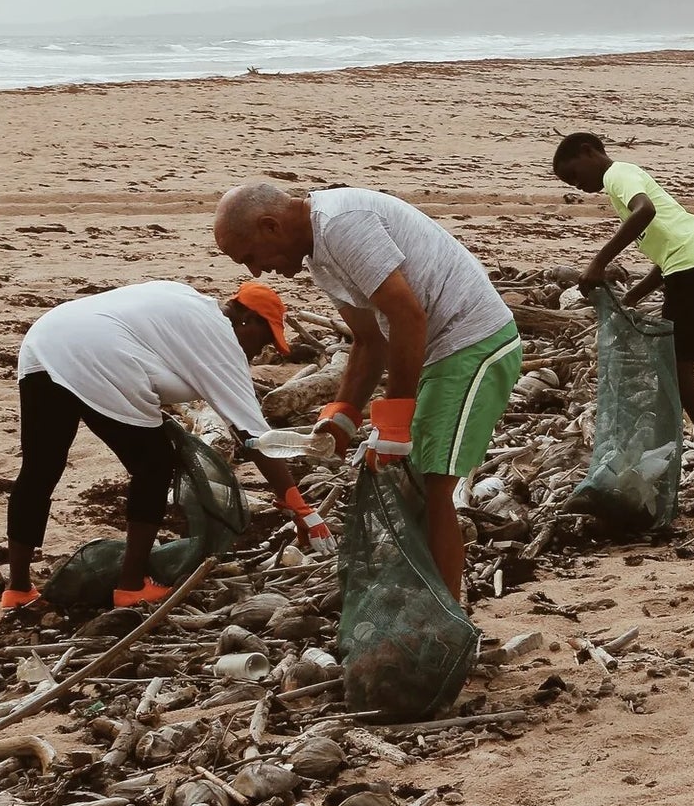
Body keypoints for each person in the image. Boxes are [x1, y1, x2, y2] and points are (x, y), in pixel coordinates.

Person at [214, 182, 520, 603]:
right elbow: (369, 340)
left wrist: (393, 422)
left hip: (474, 342)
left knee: (434, 483)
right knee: (411, 481)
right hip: (440, 353)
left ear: (270, 227)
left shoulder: (341, 225)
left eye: (249, 257)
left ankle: (445, 615)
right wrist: (343, 415)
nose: (256, 272)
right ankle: (425, 599)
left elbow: (408, 318)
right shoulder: (320, 256)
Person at [4, 279, 330, 612]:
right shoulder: (222, 340)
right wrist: (302, 508)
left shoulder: (185, 297)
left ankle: (17, 589)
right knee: (155, 465)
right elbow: (256, 437)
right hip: (101, 354)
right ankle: (131, 586)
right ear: (247, 318)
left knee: (40, 468)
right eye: (264, 339)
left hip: (45, 339)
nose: (260, 352)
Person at [551, 133, 694, 511]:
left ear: (589, 152)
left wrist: (598, 262)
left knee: (680, 373)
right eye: (569, 185)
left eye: (574, 174)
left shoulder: (619, 174)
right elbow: (667, 249)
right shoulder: (620, 188)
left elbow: (646, 211)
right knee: (678, 373)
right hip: (690, 265)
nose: (578, 186)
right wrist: (635, 295)